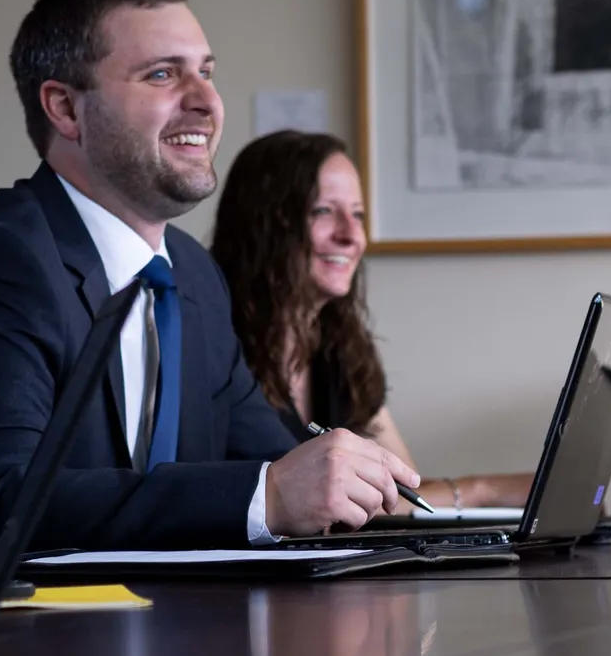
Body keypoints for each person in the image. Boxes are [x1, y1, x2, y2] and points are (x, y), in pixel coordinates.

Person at [0, 0, 420, 557]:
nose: (206, 102)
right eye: (163, 74)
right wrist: (265, 496)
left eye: (207, 72)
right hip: (32, 645)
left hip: (184, 634)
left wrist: (349, 485)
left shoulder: (191, 275)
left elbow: (278, 463)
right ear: (65, 109)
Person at [210, 131, 531, 510]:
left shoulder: (339, 342)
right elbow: (346, 505)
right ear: (263, 223)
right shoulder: (213, 337)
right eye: (323, 211)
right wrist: (481, 492)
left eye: (357, 214)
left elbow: (400, 490)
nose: (351, 235)